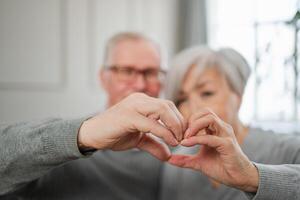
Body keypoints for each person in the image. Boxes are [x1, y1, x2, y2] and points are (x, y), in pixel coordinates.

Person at [1, 32, 185, 199]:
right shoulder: (67, 152)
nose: (139, 84)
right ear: (103, 77)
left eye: (151, 73)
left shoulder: (183, 150)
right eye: (127, 71)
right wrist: (83, 135)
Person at [159, 46, 300, 200]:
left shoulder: (289, 150)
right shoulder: (177, 163)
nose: (192, 108)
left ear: (238, 96)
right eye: (182, 99)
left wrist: (251, 176)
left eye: (207, 93)